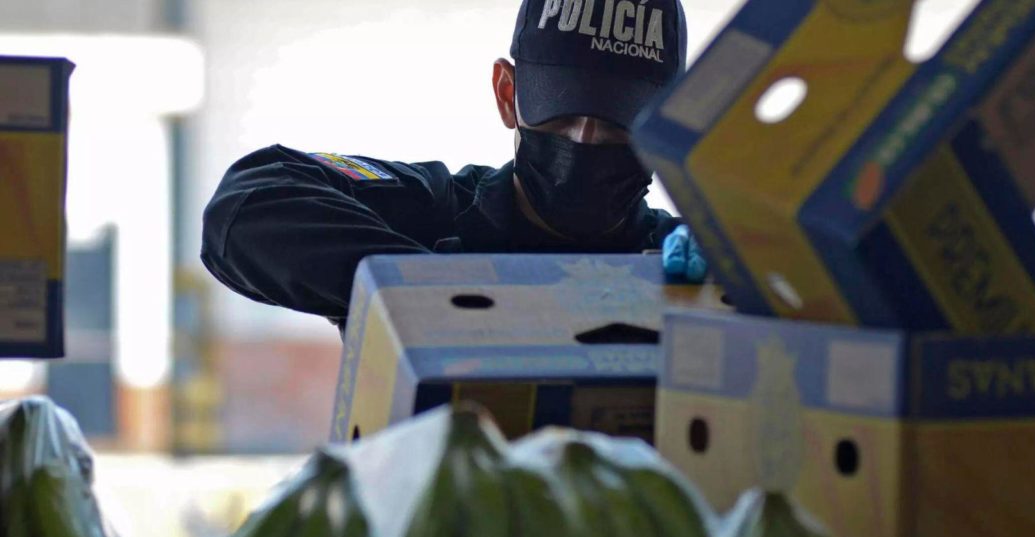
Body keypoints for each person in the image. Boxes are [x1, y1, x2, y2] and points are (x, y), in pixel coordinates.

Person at [201, 0, 706, 331]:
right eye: (560, 112)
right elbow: (246, 204)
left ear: (672, 125)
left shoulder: (691, 263)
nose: (585, 138)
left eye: (619, 122)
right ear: (507, 95)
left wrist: (734, 281)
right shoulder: (433, 214)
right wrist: (443, 292)